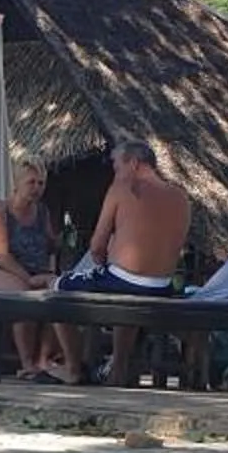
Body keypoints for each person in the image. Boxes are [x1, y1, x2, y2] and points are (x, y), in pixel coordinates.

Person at [46, 138, 192, 384]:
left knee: (55, 288)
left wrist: (105, 262)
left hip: (124, 280)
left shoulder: (122, 189)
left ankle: (73, 368)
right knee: (125, 286)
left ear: (134, 163)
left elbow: (96, 246)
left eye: (116, 166)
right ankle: (119, 368)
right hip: (163, 287)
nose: (114, 173)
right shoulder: (181, 197)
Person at [0, 158, 60, 378]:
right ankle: (27, 363)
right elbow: (1, 255)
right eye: (31, 183)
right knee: (24, 295)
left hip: (33, 270)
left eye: (41, 183)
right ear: (17, 183)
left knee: (60, 293)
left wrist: (52, 261)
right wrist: (28, 278)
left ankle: (44, 358)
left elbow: (50, 246)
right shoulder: (0, 212)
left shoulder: (42, 212)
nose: (37, 188)